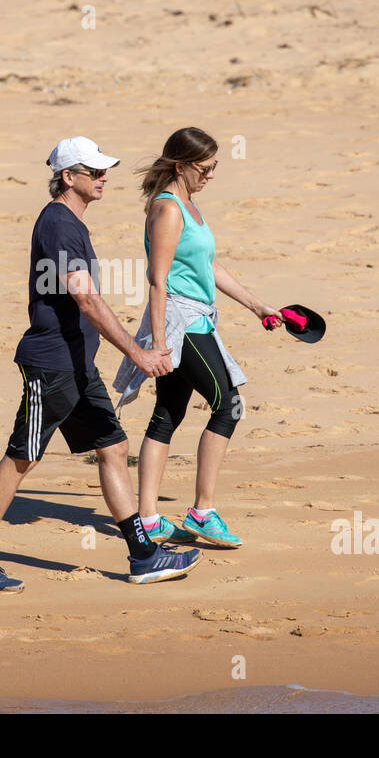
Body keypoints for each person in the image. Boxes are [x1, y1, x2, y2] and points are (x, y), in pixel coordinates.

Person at [0, 136, 202, 592]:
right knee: (22, 457)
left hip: (77, 363)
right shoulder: (60, 226)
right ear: (69, 177)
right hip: (52, 364)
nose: (104, 178)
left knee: (113, 448)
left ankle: (143, 555)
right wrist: (137, 352)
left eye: (105, 171)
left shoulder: (71, 224)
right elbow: (84, 296)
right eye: (95, 172)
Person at [112, 127, 283, 548]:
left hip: (197, 317)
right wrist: (157, 342)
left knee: (168, 413)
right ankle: (202, 512)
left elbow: (211, 267)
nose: (209, 175)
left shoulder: (189, 205)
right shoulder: (169, 209)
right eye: (204, 169)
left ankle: (149, 518)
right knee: (229, 404)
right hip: (179, 320)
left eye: (214, 167)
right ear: (180, 165)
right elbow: (158, 281)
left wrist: (256, 305)